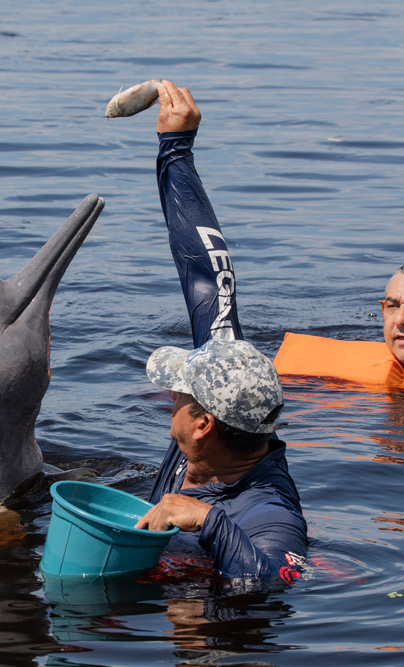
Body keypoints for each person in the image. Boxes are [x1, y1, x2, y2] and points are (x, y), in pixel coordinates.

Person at [132, 81, 307, 583]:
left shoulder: (268, 510)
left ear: (203, 424)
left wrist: (206, 519)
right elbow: (208, 274)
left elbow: (280, 577)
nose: (169, 397)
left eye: (179, 395)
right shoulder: (219, 415)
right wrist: (175, 148)